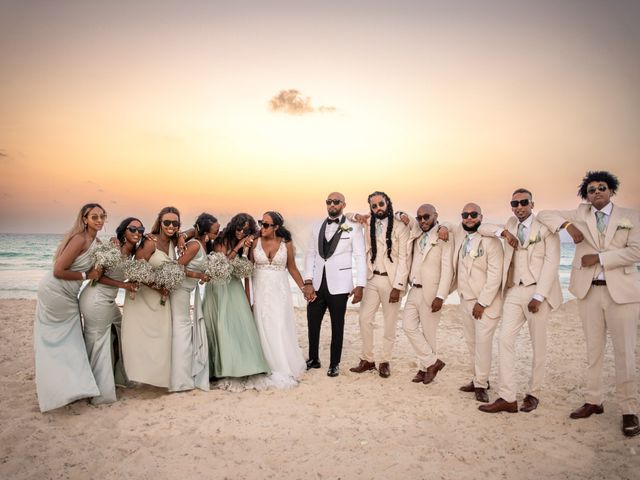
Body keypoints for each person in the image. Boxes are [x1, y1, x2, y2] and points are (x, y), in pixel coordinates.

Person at [538, 171, 640, 437]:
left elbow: (636, 252)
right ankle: (593, 401)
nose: (596, 192)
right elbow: (544, 214)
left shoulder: (630, 216)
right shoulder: (580, 214)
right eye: (591, 189)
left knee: (625, 353)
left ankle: (629, 410)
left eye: (602, 188)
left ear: (611, 190)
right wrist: (567, 227)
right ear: (587, 194)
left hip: (622, 294)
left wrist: (600, 258)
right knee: (593, 350)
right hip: (588, 292)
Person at [475, 189, 562, 413]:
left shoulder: (545, 227)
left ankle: (534, 393)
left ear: (532, 203)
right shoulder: (510, 224)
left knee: (538, 346)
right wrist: (503, 233)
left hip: (537, 293)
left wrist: (540, 295)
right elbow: (482, 228)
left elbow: (552, 263)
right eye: (515, 203)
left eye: (524, 202)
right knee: (504, 340)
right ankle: (507, 397)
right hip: (514, 291)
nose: (519, 206)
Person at [34, 203, 103, 412]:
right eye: (94, 217)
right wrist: (86, 276)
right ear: (84, 219)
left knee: (71, 340)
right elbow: (58, 270)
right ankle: (57, 389)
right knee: (55, 342)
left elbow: (98, 268)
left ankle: (71, 387)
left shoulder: (97, 241)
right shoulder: (79, 239)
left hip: (70, 294)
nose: (99, 220)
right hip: (55, 292)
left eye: (102, 217)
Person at [202, 213, 270, 388]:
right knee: (221, 324)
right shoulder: (222, 238)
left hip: (234, 285)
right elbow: (223, 263)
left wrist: (249, 297)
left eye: (245, 230)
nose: (241, 232)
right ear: (234, 226)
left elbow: (245, 271)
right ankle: (221, 368)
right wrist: (239, 245)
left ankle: (247, 365)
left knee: (242, 323)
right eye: (239, 228)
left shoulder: (248, 241)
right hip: (218, 286)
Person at [79, 217, 142, 405]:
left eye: (140, 229)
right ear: (123, 231)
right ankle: (98, 391)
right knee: (98, 343)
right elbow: (97, 277)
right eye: (132, 229)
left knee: (119, 331)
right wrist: (124, 285)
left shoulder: (132, 253)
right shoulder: (113, 248)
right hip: (96, 298)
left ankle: (115, 378)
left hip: (108, 299)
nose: (137, 233)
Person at [303, 192, 366, 377]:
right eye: (329, 202)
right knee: (312, 323)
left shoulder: (353, 227)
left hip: (340, 285)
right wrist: (308, 281)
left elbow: (360, 257)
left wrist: (360, 285)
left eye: (336, 202)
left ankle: (334, 364)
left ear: (343, 205)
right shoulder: (316, 226)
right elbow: (310, 254)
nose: (332, 204)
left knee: (338, 325)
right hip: (316, 284)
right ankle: (313, 358)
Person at [348, 191, 410, 378]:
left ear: (387, 203)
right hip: (372, 279)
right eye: (373, 206)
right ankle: (367, 359)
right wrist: (357, 216)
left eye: (380, 204)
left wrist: (398, 286)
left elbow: (403, 258)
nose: (378, 208)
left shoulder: (400, 225)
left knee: (389, 324)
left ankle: (384, 360)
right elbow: (347, 215)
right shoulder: (368, 222)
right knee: (364, 319)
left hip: (391, 281)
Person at [121, 206, 179, 389]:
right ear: (160, 223)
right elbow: (136, 271)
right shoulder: (149, 242)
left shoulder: (174, 242)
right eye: (167, 222)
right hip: (144, 296)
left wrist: (184, 236)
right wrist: (157, 288)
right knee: (140, 337)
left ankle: (158, 379)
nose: (171, 226)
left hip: (161, 298)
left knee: (161, 337)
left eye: (175, 223)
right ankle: (138, 376)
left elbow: (194, 231)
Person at [451, 203, 503, 403]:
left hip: (485, 303)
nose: (469, 218)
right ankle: (478, 379)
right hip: (465, 299)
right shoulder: (461, 236)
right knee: (472, 343)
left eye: (473, 214)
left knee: (483, 344)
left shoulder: (491, 242)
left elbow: (495, 275)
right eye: (465, 215)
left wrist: (482, 302)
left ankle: (481, 385)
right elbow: (445, 224)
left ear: (481, 216)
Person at [399, 204, 453, 385]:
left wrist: (441, 296)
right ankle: (432, 363)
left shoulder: (444, 236)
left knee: (429, 333)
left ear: (435, 215)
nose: (423, 220)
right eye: (420, 217)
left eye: (426, 217)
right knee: (408, 326)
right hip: (414, 289)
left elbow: (447, 270)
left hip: (432, 292)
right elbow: (400, 214)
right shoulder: (416, 230)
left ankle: (424, 369)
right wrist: (401, 214)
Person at [251, 211, 306, 388]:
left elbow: (293, 268)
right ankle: (263, 363)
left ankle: (282, 363)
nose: (262, 227)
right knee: (262, 324)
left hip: (280, 292)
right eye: (261, 223)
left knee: (279, 325)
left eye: (266, 225)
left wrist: (304, 288)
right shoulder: (254, 242)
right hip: (259, 290)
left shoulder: (286, 244)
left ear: (276, 227)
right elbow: (247, 269)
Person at [169, 213, 219, 392]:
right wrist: (199, 275)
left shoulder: (204, 244)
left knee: (184, 330)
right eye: (215, 230)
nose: (217, 233)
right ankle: (180, 379)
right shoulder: (194, 245)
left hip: (188, 290)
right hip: (179, 291)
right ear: (206, 231)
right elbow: (175, 267)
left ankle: (185, 373)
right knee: (182, 330)